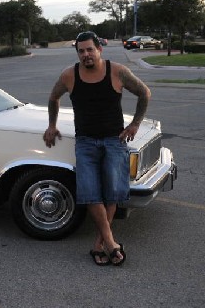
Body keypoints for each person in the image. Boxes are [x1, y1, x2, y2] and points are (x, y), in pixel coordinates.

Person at [43, 31, 151, 266]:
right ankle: (110, 242)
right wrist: (51, 125)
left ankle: (100, 245)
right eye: (81, 51)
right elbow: (53, 98)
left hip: (114, 140)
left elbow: (144, 93)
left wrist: (135, 124)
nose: (86, 55)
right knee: (91, 192)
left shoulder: (117, 71)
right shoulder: (69, 75)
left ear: (99, 50)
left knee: (112, 193)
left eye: (89, 49)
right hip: (85, 142)